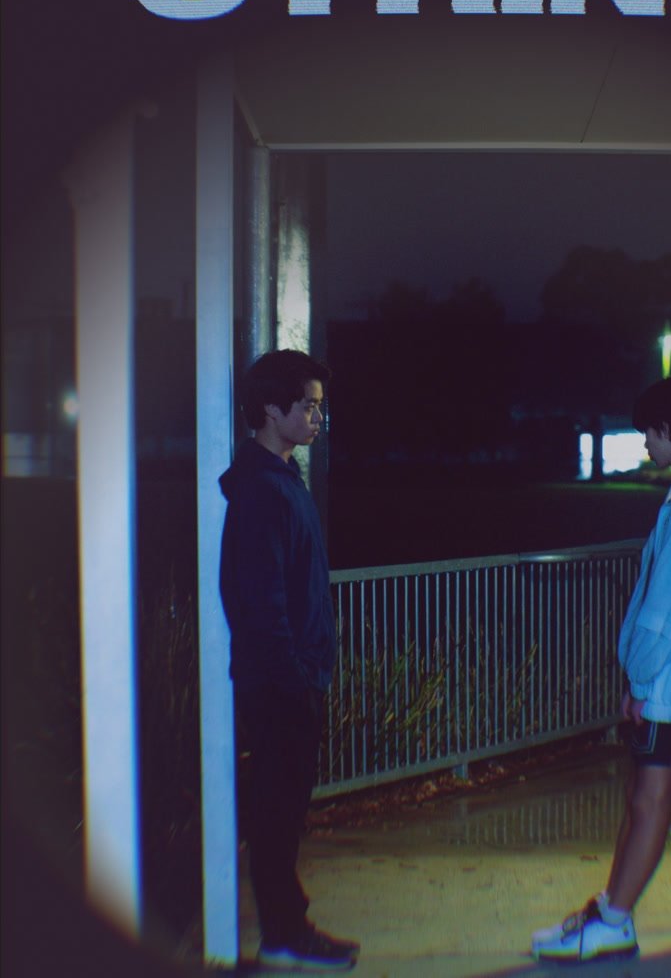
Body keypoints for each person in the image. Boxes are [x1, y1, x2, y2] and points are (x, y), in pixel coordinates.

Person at [532, 377, 671, 963]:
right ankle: (612, 909)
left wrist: (640, 680)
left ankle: (615, 920)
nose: (645, 441)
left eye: (650, 431)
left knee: (649, 801)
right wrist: (640, 681)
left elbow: (670, 607)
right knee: (644, 798)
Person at [219, 350, 359, 971]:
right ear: (272, 409)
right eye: (308, 406)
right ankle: (283, 934)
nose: (317, 417)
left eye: (320, 407)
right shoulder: (263, 491)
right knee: (277, 814)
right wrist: (296, 679)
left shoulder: (279, 479)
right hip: (280, 685)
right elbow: (261, 601)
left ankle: (286, 927)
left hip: (286, 680)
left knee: (281, 810)